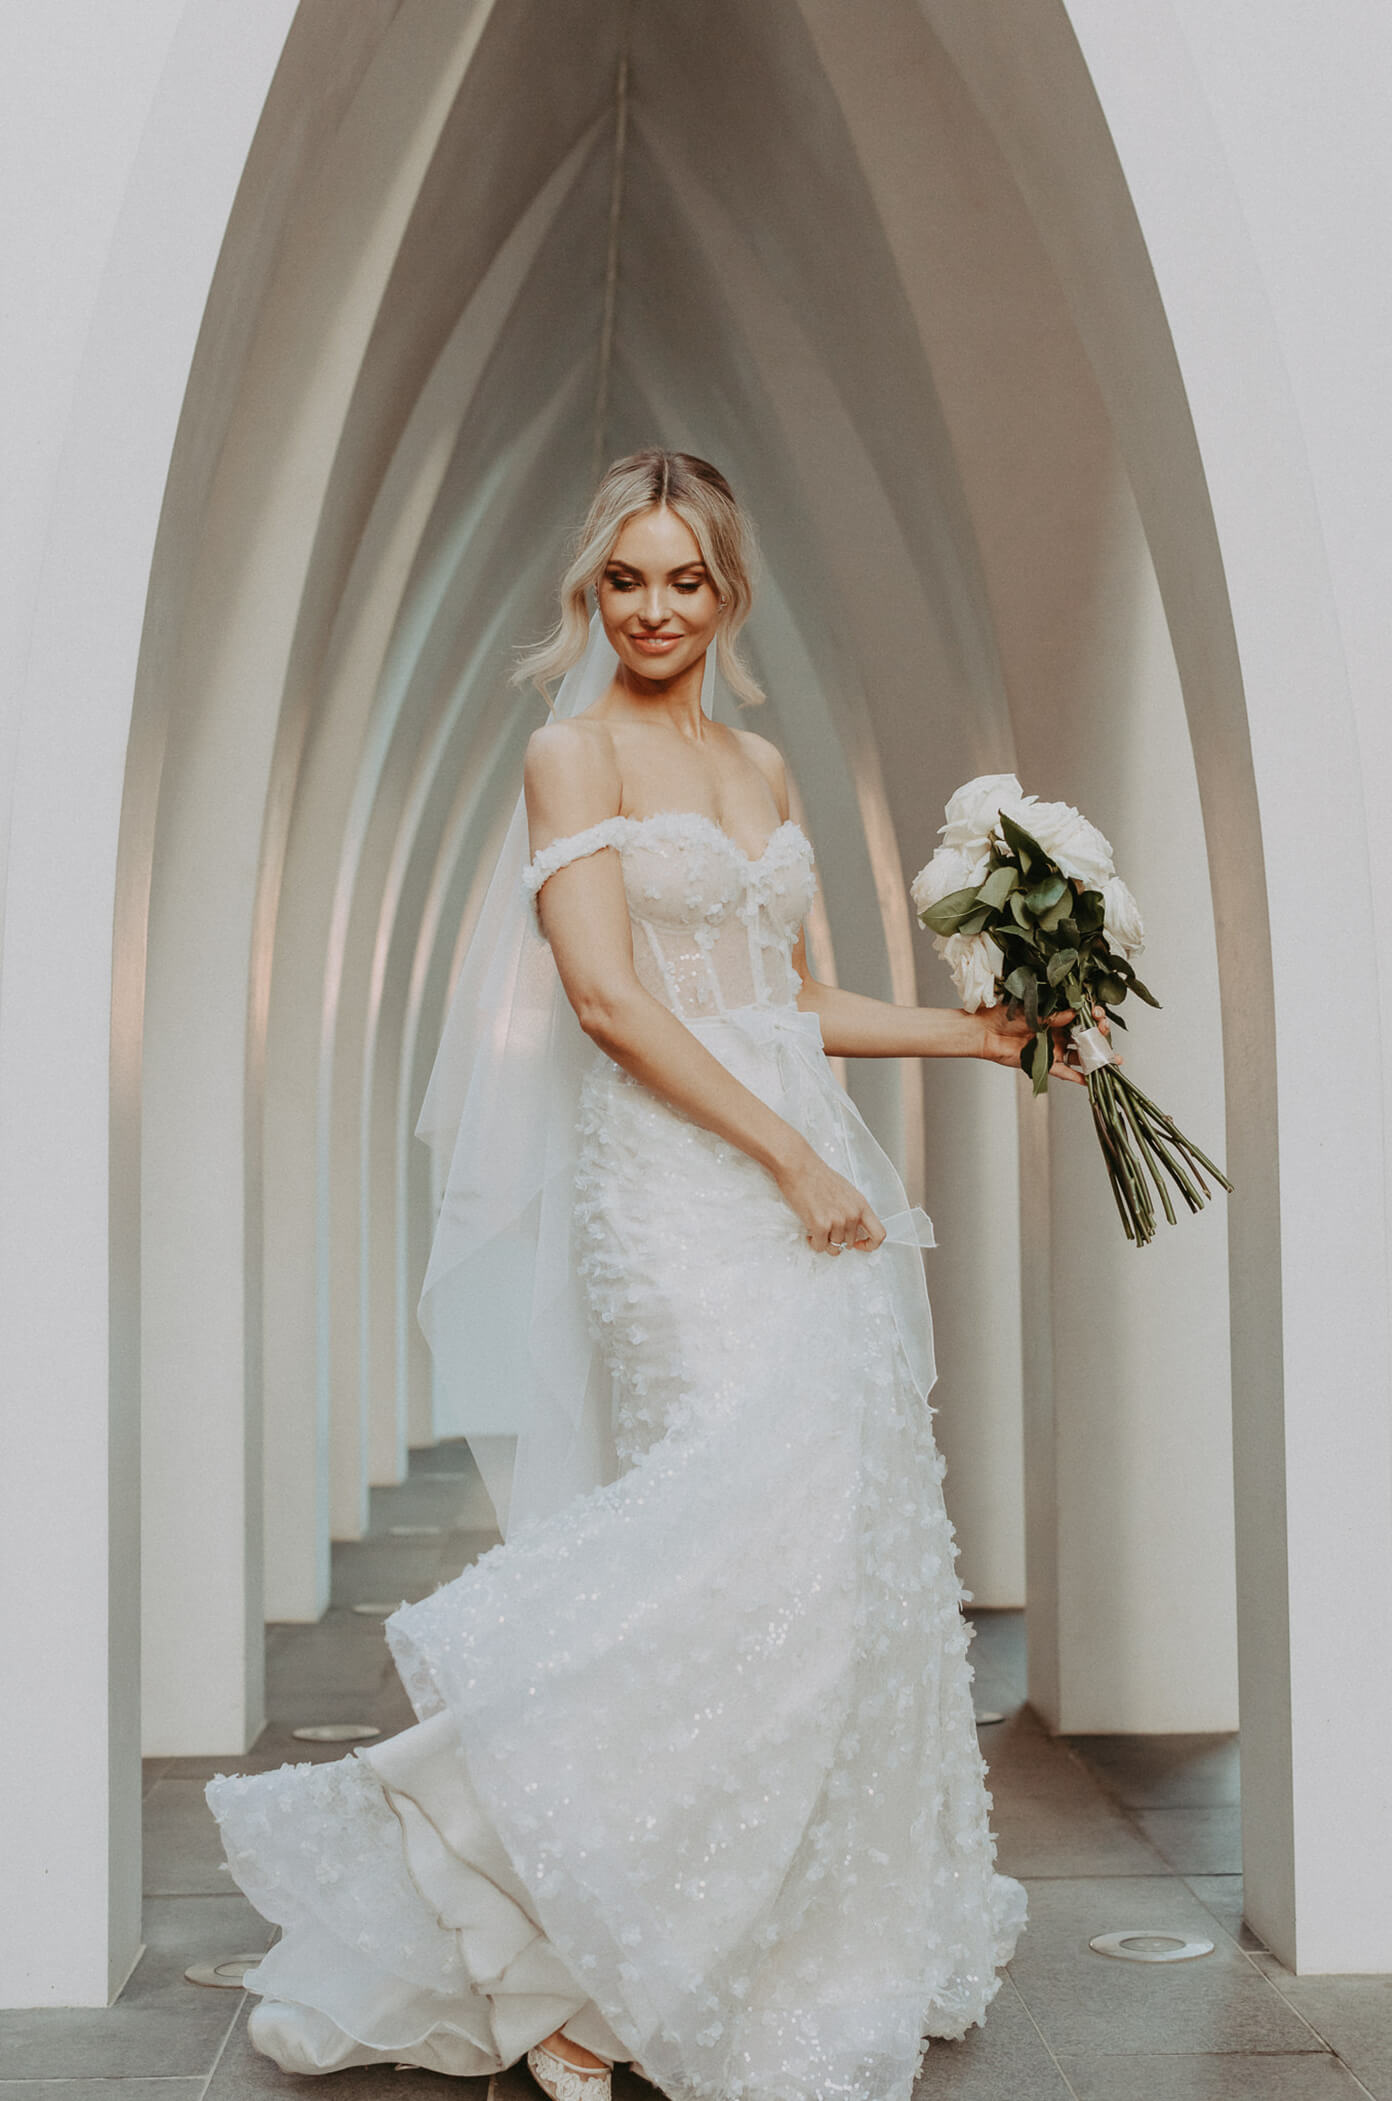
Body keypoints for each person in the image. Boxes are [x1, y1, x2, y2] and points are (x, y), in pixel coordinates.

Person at [208, 450, 1100, 2100]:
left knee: (835, 1560)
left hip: (804, 1175)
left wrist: (982, 1036)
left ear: (728, 589)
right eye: (625, 579)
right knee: (734, 1556)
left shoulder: (762, 763)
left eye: (684, 578)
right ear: (592, 590)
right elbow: (612, 1001)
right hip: (684, 1187)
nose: (654, 608)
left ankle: (701, 1945)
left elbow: (796, 998)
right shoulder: (572, 753)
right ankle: (585, 1972)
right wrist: (789, 1155)